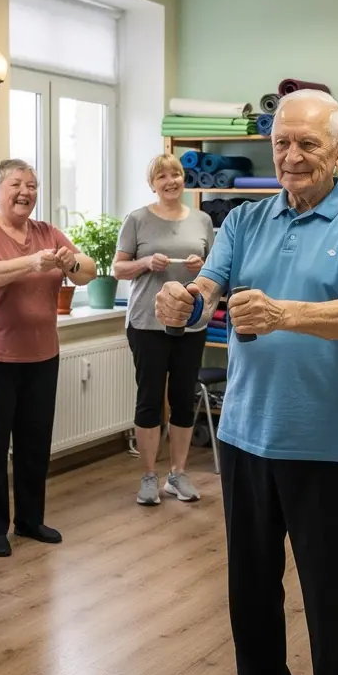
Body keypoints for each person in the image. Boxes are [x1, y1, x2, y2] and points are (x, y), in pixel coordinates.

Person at [155, 90, 338, 675]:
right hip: (247, 440)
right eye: (282, 142)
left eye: (307, 145)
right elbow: (205, 291)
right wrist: (182, 304)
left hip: (329, 446)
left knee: (330, 601)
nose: (290, 156)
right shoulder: (244, 219)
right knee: (250, 594)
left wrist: (285, 312)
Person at [0, 160, 96, 558]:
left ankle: (31, 520)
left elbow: (87, 270)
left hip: (39, 353)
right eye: (16, 184)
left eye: (32, 185)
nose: (25, 192)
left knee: (35, 442)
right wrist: (30, 263)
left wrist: (69, 262)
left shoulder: (47, 232)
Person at [113, 155, 214, 505]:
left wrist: (203, 266)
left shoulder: (203, 220)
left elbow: (215, 274)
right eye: (163, 176)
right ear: (152, 183)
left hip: (190, 323)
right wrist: (144, 263)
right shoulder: (137, 220)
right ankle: (148, 477)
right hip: (147, 323)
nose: (171, 180)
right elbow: (117, 269)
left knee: (184, 398)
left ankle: (178, 475)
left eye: (177, 174)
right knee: (150, 399)